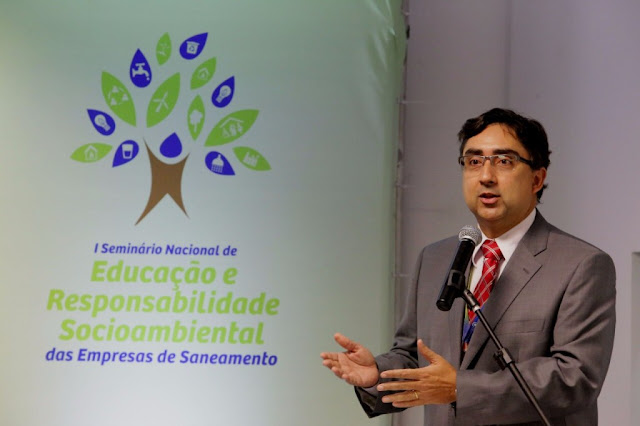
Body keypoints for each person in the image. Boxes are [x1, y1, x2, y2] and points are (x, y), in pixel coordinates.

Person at [320, 108, 616, 425]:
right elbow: (413, 355)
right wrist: (377, 374)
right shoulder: (435, 259)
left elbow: (575, 378)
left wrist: (460, 388)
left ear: (537, 179)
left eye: (504, 161)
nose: (486, 176)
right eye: (474, 161)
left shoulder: (581, 265)